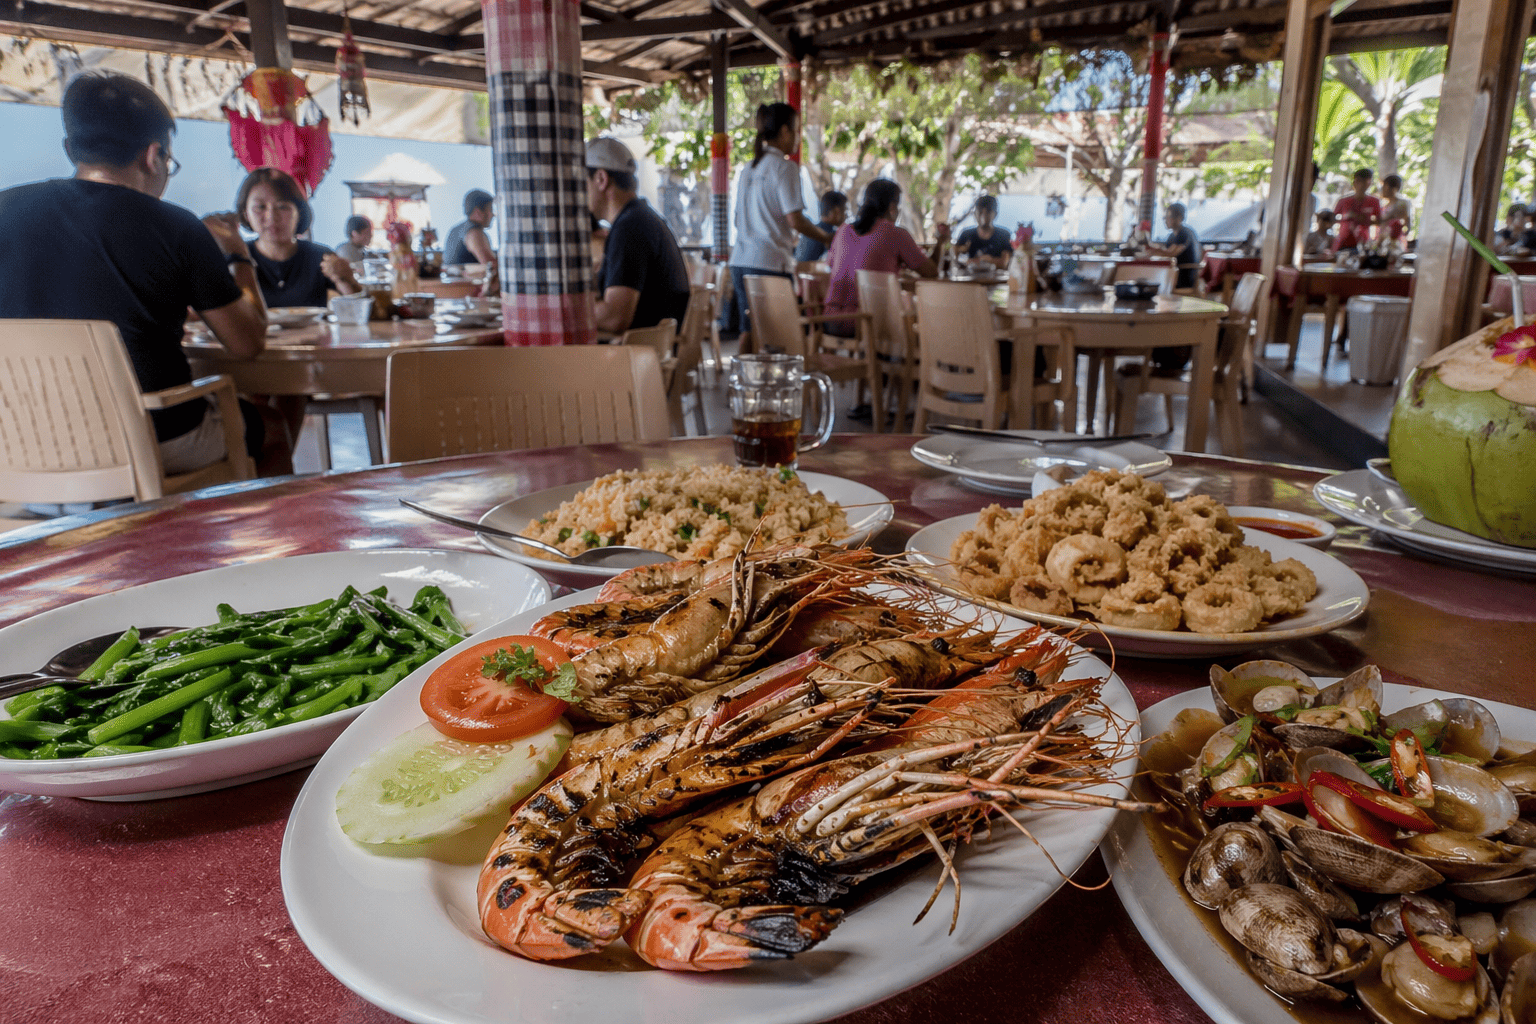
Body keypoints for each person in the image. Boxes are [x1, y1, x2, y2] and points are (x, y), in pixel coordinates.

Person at [0, 72, 271, 488]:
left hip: (20, 448)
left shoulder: (5, 211)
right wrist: (236, 252)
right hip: (152, 441)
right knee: (265, 423)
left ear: (71, 148)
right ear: (154, 155)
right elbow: (247, 343)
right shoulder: (177, 227)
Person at [720, 102, 832, 339]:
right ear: (784, 131)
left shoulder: (747, 169)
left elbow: (738, 220)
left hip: (740, 260)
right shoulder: (785, 168)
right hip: (769, 263)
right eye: (797, 130)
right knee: (780, 336)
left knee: (749, 331)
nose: (798, 138)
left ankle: (742, 377)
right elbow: (795, 220)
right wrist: (826, 237)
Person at [585, 137, 690, 335]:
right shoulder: (641, 218)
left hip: (638, 360)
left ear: (601, 179)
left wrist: (564, 312)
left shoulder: (629, 229)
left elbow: (615, 318)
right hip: (654, 353)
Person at [822, 178, 943, 335]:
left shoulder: (843, 230)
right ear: (892, 207)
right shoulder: (895, 233)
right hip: (865, 322)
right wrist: (941, 242)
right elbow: (931, 272)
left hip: (828, 320)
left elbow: (833, 267)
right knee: (922, 324)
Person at [238, 167, 360, 308]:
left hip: (312, 331)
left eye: (282, 206)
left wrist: (346, 279)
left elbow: (356, 310)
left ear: (299, 213)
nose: (271, 216)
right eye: (260, 207)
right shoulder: (237, 259)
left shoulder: (321, 257)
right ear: (246, 214)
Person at [1143, 201, 1203, 289]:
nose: (1165, 220)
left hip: (1183, 276)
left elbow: (1171, 254)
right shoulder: (1172, 235)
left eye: (1168, 217)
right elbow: (1166, 252)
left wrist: (1151, 250)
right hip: (1174, 273)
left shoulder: (1184, 233)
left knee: (1149, 281)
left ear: (1179, 218)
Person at [953, 195, 1014, 270]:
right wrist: (960, 250)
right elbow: (954, 259)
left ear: (995, 214)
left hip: (995, 280)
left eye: (988, 212)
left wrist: (986, 259)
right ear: (975, 214)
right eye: (980, 211)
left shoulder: (1004, 234)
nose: (983, 216)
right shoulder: (966, 234)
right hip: (969, 280)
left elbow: (1004, 263)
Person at [1332, 169, 1381, 251]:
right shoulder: (1343, 201)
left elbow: (1380, 222)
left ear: (1369, 183)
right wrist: (1346, 218)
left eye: (1366, 182)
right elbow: (1331, 219)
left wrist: (1365, 220)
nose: (1362, 185)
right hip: (1343, 243)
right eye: (1359, 181)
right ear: (1354, 182)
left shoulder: (1374, 201)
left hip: (1363, 244)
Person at [794, 190, 847, 263]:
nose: (845, 216)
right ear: (837, 211)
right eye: (844, 210)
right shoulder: (832, 235)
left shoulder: (810, 229)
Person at [445, 189, 495, 266]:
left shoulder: (457, 230)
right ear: (478, 212)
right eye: (490, 210)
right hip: (469, 278)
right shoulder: (473, 232)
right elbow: (490, 264)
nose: (493, 215)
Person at [1379, 174, 1411, 243]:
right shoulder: (1385, 204)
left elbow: (1407, 222)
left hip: (1395, 243)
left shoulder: (1402, 203)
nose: (1382, 189)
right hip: (1382, 241)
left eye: (1384, 186)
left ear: (1394, 188)